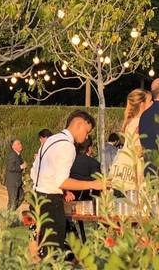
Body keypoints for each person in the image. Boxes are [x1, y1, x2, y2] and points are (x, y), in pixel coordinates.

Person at [32, 110, 106, 257]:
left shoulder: (52, 140)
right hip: (51, 203)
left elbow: (36, 172)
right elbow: (61, 181)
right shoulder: (67, 146)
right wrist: (93, 184)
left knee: (44, 249)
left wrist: (65, 191)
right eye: (86, 132)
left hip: (38, 198)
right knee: (53, 253)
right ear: (79, 124)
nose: (86, 137)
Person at [108, 88, 151, 192]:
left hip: (122, 170)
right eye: (150, 101)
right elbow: (137, 149)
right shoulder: (141, 123)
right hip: (133, 172)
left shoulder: (129, 122)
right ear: (142, 104)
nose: (153, 103)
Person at [4, 139, 26, 209]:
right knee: (13, 202)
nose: (20, 145)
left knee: (20, 197)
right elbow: (10, 167)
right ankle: (9, 216)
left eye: (20, 143)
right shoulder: (12, 155)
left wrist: (23, 166)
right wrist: (21, 166)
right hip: (12, 182)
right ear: (13, 147)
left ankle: (9, 213)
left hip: (17, 182)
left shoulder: (18, 155)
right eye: (18, 144)